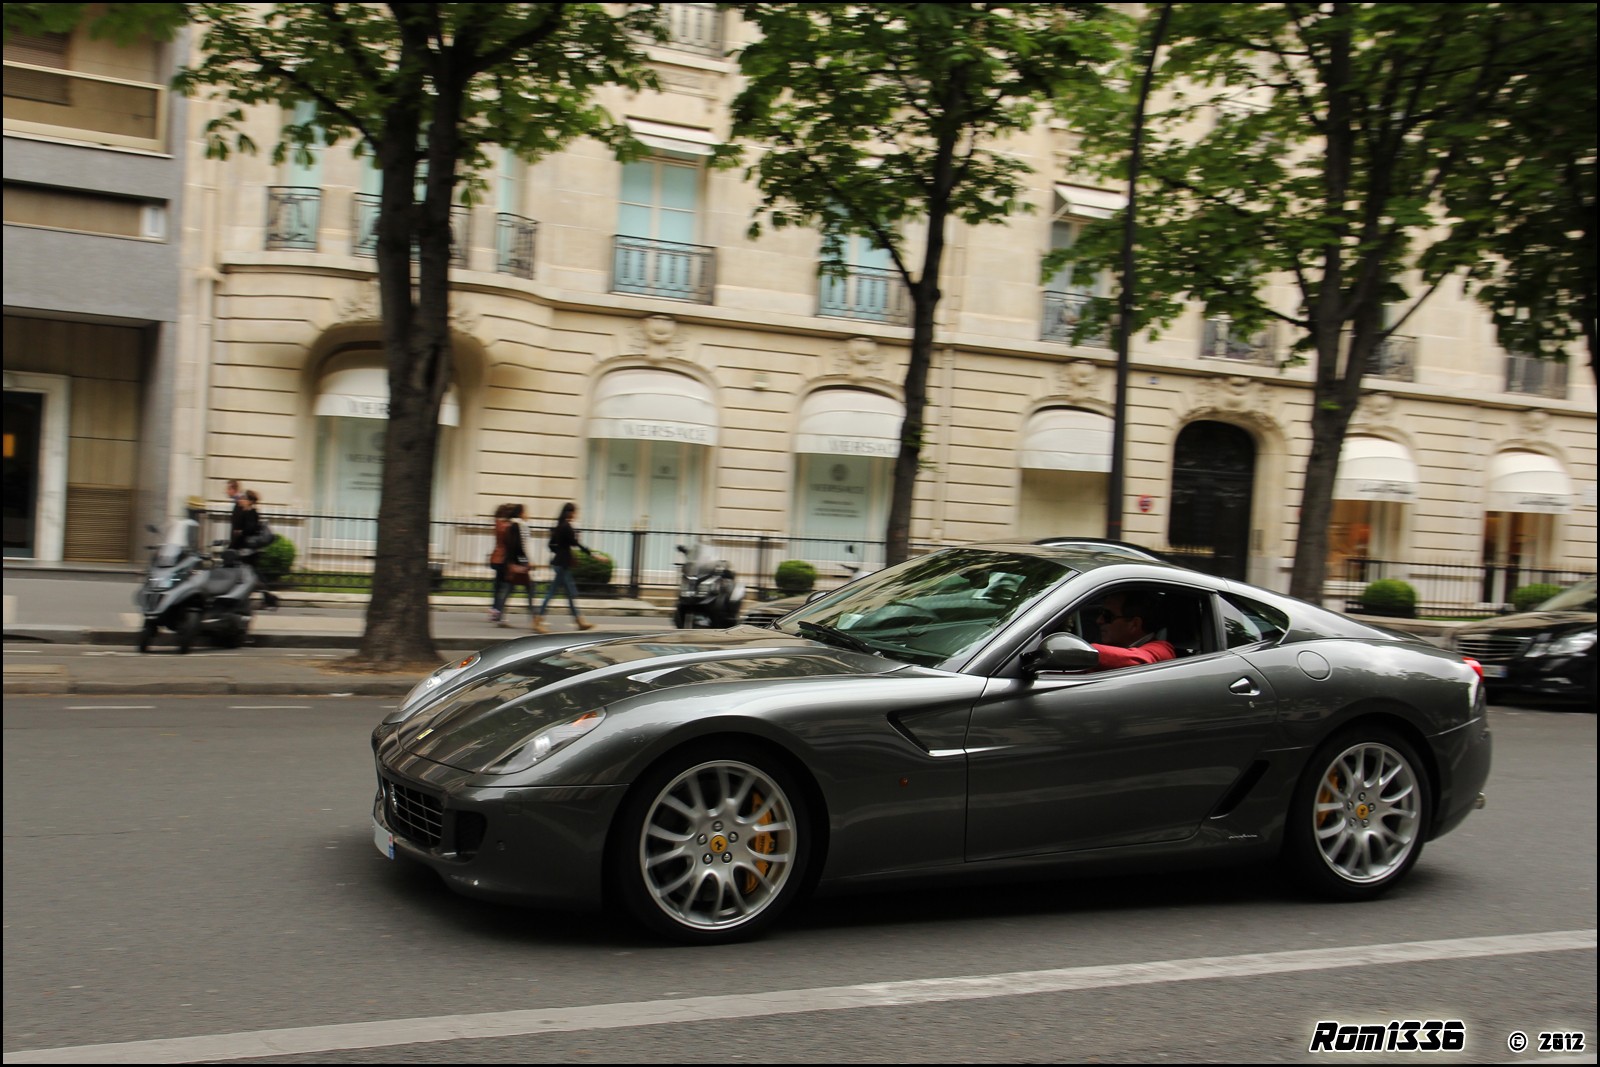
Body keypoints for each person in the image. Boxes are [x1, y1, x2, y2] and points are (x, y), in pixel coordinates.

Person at [532, 502, 595, 633]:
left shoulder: (559, 526)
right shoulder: (566, 527)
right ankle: (538, 621)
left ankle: (579, 621)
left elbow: (551, 545)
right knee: (553, 593)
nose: (576, 514)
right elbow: (575, 543)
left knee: (569, 594)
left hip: (560, 563)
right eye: (575, 512)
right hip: (562, 565)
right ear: (570, 512)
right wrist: (592, 554)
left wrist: (559, 552)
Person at [1089, 588, 1175, 670]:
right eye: (1101, 613)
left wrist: (1084, 652)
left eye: (1107, 616)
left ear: (1134, 624)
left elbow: (1140, 660)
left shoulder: (1162, 650)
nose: (1099, 620)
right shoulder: (1118, 645)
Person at [491, 504, 536, 627]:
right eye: (525, 512)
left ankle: (500, 616)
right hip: (517, 563)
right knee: (530, 589)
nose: (527, 514)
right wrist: (525, 561)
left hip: (511, 562)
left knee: (508, 590)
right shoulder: (517, 526)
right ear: (520, 513)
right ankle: (534, 620)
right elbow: (517, 546)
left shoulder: (510, 525)